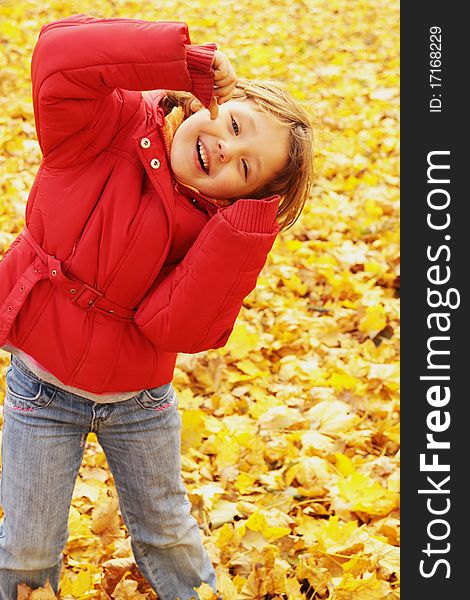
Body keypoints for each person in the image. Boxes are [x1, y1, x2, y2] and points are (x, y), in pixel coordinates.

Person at [0, 14, 314, 600]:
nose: (226, 150)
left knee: (168, 534)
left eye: (246, 169)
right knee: (28, 544)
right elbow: (60, 59)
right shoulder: (105, 125)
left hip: (139, 402)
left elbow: (175, 325)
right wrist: (181, 61)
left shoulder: (220, 230)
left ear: (245, 198)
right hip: (40, 388)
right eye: (237, 125)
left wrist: (243, 232)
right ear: (213, 100)